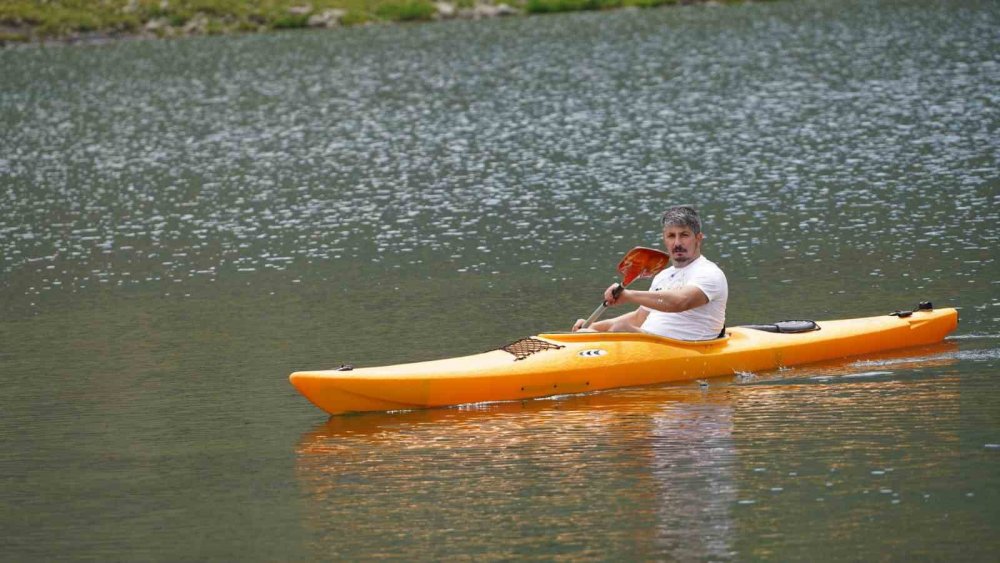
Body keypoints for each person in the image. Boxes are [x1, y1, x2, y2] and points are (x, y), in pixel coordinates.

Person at [572, 205, 728, 341]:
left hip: (686, 348)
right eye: (671, 236)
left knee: (621, 328)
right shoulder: (663, 276)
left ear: (698, 239)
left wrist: (629, 295)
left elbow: (680, 302)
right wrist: (593, 326)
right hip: (651, 344)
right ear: (664, 239)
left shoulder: (710, 273)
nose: (677, 243)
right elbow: (639, 318)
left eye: (684, 235)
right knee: (590, 332)